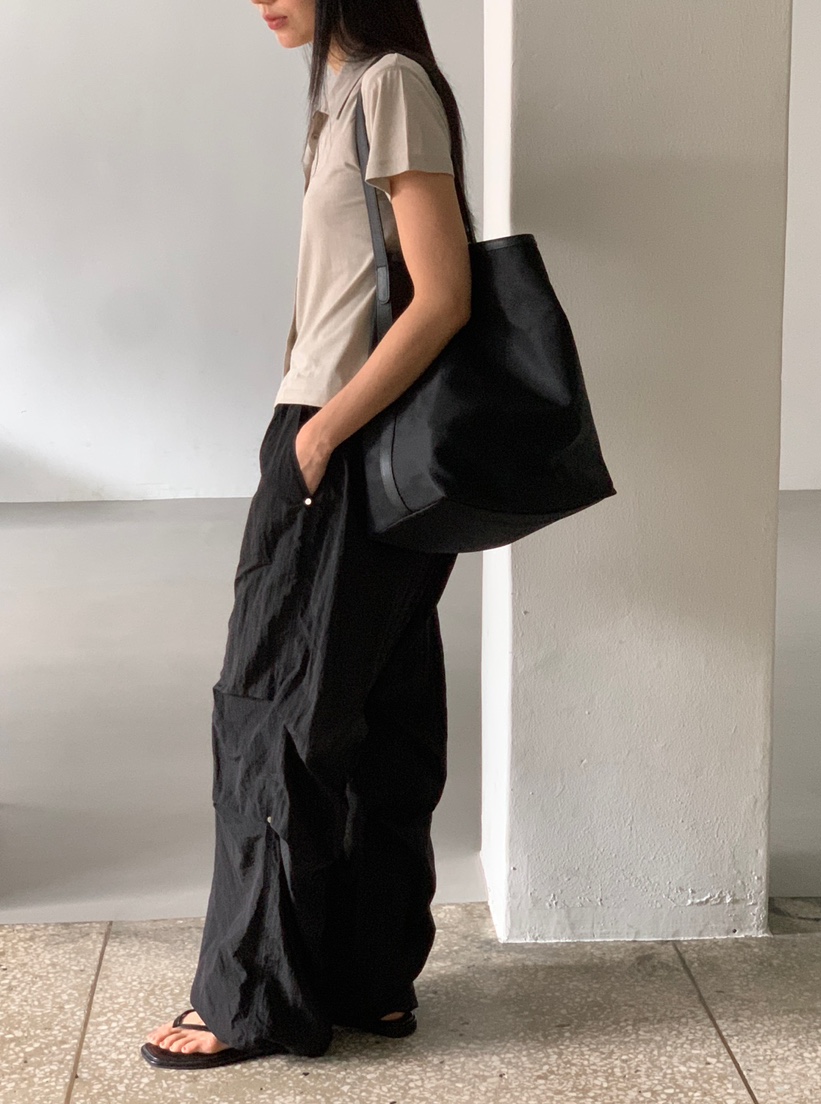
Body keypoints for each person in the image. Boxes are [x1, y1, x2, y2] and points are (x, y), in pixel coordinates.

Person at [141, 0, 473, 1072]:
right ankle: (368, 978)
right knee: (380, 710)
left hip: (343, 436)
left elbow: (444, 296)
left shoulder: (388, 88)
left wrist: (320, 433)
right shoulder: (347, 99)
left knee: (271, 708)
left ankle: (254, 998)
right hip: (358, 439)